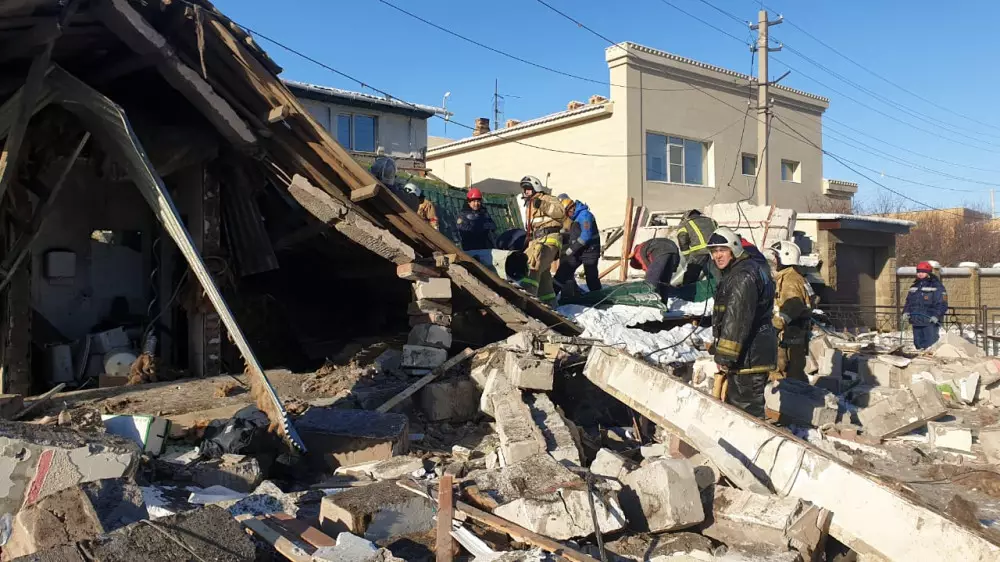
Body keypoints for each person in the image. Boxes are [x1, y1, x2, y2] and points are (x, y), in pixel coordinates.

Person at [706, 227, 778, 418]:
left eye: (722, 250)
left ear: (734, 249)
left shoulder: (741, 276)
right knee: (742, 411)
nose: (717, 256)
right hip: (749, 355)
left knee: (746, 415)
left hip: (749, 357)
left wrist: (725, 357)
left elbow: (736, 320)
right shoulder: (744, 270)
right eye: (714, 251)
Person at [767, 240, 811, 382]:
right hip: (793, 335)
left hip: (787, 335)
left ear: (786, 257)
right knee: (794, 372)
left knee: (781, 373)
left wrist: (775, 326)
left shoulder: (790, 280)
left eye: (777, 257)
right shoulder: (794, 276)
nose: (774, 260)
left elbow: (792, 306)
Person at [517, 175, 565, 304]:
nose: (525, 192)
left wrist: (542, 204)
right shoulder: (530, 205)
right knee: (543, 275)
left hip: (550, 239)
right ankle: (549, 303)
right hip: (537, 240)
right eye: (524, 189)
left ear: (535, 188)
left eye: (528, 188)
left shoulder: (548, 199)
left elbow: (561, 213)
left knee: (533, 266)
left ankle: (527, 301)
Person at [554, 195, 602, 295]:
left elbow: (586, 236)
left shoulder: (585, 215)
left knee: (591, 277)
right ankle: (551, 295)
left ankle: (599, 298)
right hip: (579, 250)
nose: (567, 216)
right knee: (563, 271)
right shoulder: (576, 217)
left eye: (567, 213)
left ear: (571, 208)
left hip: (590, 251)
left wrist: (571, 249)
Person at [904, 261, 948, 349]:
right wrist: (906, 311)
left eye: (923, 272)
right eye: (918, 272)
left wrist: (936, 315)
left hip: (930, 321)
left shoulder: (937, 286)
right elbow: (909, 302)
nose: (920, 274)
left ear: (928, 273)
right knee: (918, 345)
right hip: (916, 320)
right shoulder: (914, 286)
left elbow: (942, 304)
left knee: (930, 346)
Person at [629, 237, 682, 303]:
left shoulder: (637, 253)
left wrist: (649, 274)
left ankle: (649, 303)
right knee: (664, 282)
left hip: (661, 249)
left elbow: (648, 268)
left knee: (650, 282)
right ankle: (663, 303)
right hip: (673, 249)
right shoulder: (645, 248)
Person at [677, 209, 718, 285]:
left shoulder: (686, 223)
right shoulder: (711, 221)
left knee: (691, 276)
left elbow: (682, 239)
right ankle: (719, 288)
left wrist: (687, 256)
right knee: (715, 274)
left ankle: (687, 290)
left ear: (686, 216)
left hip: (698, 252)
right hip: (714, 250)